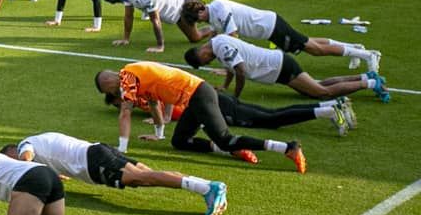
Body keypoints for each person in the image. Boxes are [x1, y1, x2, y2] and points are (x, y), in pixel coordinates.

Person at [94, 63, 325, 172]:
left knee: (225, 137)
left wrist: (121, 148)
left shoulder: (127, 77)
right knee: (180, 141)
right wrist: (159, 134)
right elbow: (155, 102)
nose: (113, 95)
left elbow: (125, 112)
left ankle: (287, 147)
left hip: (199, 95)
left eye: (109, 92)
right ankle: (234, 149)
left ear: (108, 84)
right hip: (193, 97)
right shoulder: (134, 74)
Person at [5, 131, 226, 215]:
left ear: (11, 152)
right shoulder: (40, 142)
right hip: (97, 150)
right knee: (148, 175)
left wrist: (21, 173)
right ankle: (204, 185)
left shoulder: (25, 145)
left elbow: (25, 160)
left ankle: (208, 188)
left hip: (93, 161)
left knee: (144, 178)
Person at [176, 0, 381, 74]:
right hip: (270, 29)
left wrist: (231, 65)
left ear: (200, 11)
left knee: (313, 49)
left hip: (272, 27)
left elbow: (233, 37)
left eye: (198, 19)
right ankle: (356, 49)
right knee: (308, 41)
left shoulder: (219, 8)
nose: (200, 23)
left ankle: (368, 55)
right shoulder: (213, 15)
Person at [184, 36, 383, 105]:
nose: (208, 62)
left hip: (278, 67)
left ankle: (373, 83)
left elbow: (240, 70)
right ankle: (365, 76)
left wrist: (236, 96)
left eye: (204, 61)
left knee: (322, 92)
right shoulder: (218, 43)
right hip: (277, 67)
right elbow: (231, 68)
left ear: (201, 52)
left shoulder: (220, 48)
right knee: (317, 87)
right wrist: (225, 86)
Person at [112, 0, 196, 53]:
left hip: (184, 5)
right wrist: (125, 39)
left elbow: (156, 20)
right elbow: (128, 16)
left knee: (208, 19)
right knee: (194, 38)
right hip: (177, 16)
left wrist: (160, 46)